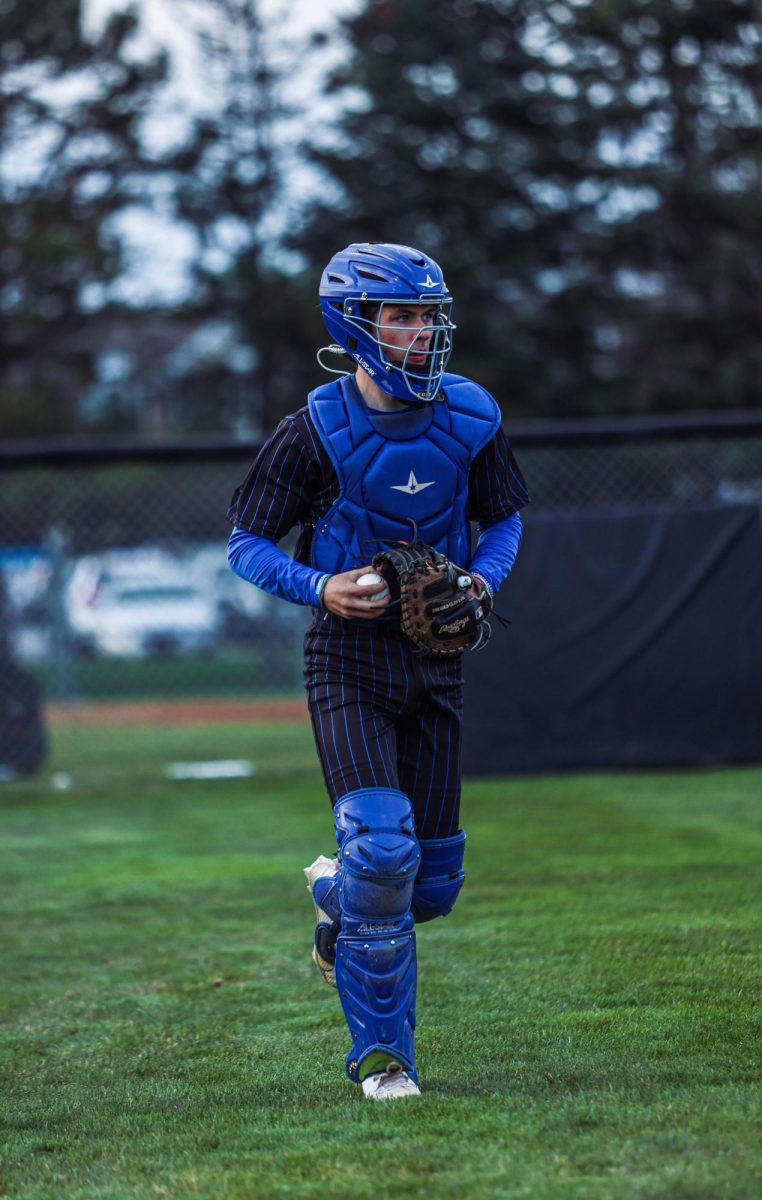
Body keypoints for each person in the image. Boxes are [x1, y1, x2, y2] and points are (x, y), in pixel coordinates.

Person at [227, 242, 529, 1100]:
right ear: (354, 325)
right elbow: (245, 544)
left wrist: (482, 579)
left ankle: (339, 906)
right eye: (402, 315)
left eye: (430, 315)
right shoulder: (313, 429)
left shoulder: (472, 416)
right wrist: (319, 585)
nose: (422, 331)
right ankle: (385, 1062)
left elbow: (502, 520)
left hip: (437, 666)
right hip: (347, 663)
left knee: (427, 889)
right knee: (385, 850)